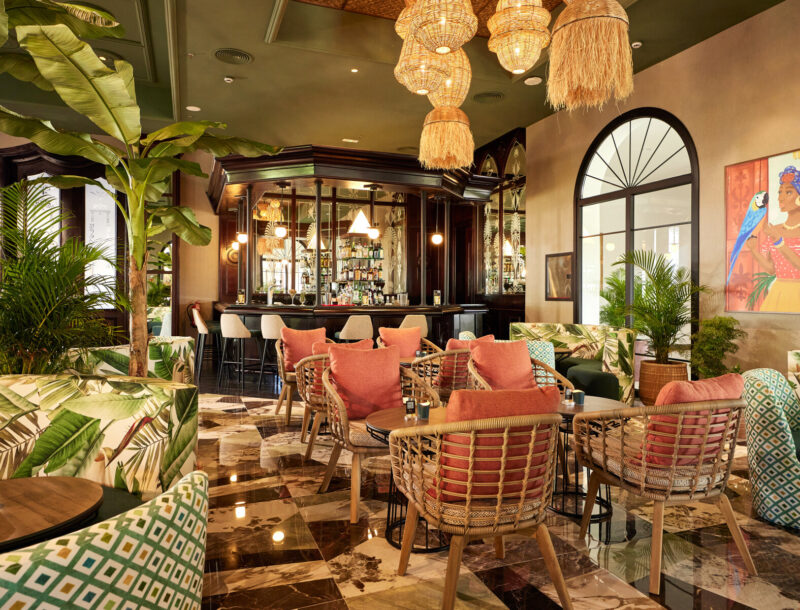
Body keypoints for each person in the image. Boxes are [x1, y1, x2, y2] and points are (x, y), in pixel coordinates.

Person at [747, 165, 800, 312]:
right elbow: (771, 270)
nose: (780, 197)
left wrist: (779, 241)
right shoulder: (774, 229)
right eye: (779, 192)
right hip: (779, 292)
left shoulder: (775, 234)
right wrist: (753, 250)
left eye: (788, 192)